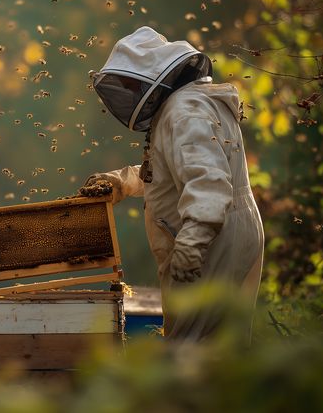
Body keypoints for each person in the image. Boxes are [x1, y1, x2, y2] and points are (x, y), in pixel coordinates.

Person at [82, 26, 264, 341]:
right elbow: (172, 172)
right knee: (219, 348)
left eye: (130, 85)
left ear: (149, 79)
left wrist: (193, 243)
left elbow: (207, 181)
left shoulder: (185, 112)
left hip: (212, 238)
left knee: (194, 350)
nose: (128, 93)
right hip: (221, 231)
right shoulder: (185, 106)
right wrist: (122, 182)